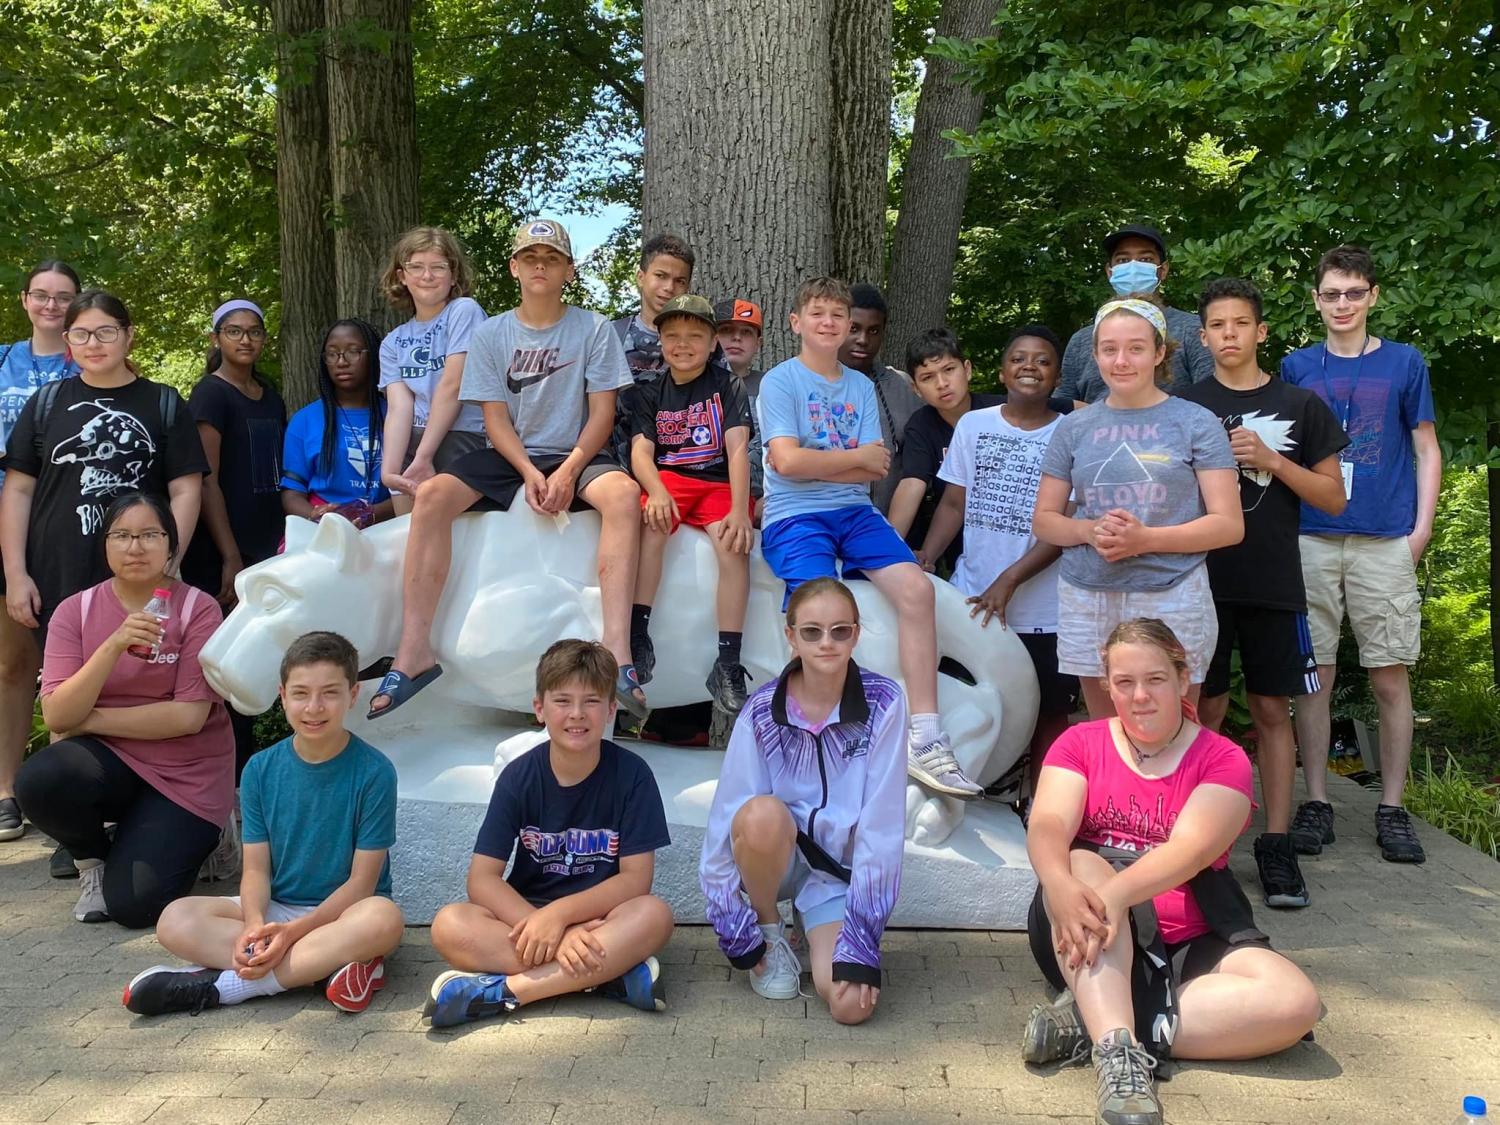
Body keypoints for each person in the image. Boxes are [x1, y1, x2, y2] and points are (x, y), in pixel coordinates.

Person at [1022, 619, 1321, 1125]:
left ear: (1183, 680)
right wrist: (1059, 884)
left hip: (1191, 931)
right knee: (1080, 862)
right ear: (1107, 685)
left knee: (1295, 1002)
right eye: (1124, 683)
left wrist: (1119, 893)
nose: (1139, 696)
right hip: (1083, 928)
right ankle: (1118, 1057)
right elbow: (1049, 822)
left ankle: (1087, 1020)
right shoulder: (1080, 743)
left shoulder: (1223, 759)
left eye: (1155, 680)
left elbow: (1189, 852)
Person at [366, 220, 645, 722]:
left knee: (624, 496)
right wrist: (528, 472)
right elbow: (493, 419)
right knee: (430, 497)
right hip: (508, 451)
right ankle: (413, 653)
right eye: (531, 257)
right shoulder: (492, 332)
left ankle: (618, 653)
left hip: (574, 452)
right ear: (514, 267)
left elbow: (602, 414)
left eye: (552, 258)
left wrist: (567, 471)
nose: (541, 266)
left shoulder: (594, 328)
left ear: (568, 270)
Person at [3, 292, 208, 876]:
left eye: (106, 332)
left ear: (129, 335)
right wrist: (16, 573)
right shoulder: (46, 404)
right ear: (68, 343)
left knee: (144, 684)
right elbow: (17, 489)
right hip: (60, 573)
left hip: (143, 572)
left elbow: (186, 487)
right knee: (68, 688)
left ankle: (141, 809)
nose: (94, 344)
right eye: (82, 334)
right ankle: (79, 827)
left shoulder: (162, 403)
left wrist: (173, 559)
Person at [757, 276, 981, 798]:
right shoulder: (780, 382)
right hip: (795, 516)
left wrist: (825, 465)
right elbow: (785, 463)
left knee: (918, 590)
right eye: (818, 314)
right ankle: (811, 730)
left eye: (838, 315)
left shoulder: (860, 386)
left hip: (856, 514)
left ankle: (925, 736)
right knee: (819, 609)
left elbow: (874, 468)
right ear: (796, 323)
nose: (830, 323)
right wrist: (841, 462)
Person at [122, 630, 404, 1016]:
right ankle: (321, 968)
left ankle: (226, 987)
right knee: (174, 919)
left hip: (344, 912)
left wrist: (292, 933)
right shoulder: (259, 769)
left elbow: (361, 884)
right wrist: (255, 927)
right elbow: (256, 868)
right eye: (301, 693)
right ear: (282, 695)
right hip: (277, 908)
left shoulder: (375, 772)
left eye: (330, 693)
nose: (314, 707)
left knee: (384, 920)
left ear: (353, 695)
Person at [1177, 279, 1348, 908]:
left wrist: (1273, 461)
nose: (1229, 334)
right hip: (1196, 582)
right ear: (1202, 336)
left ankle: (1274, 845)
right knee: (1207, 712)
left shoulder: (1300, 405)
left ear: (1261, 332)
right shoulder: (1183, 405)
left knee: (1274, 712)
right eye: (1217, 325)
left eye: (1240, 324)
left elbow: (1333, 496)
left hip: (1275, 583)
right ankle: (1204, 845)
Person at [1281, 245, 1441, 865]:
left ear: (1373, 295)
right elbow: (1285, 455)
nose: (1342, 304)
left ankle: (1392, 808)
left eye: (1353, 292)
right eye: (1331, 293)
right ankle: (1317, 801)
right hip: (1312, 537)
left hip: (1383, 539)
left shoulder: (1405, 362)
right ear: (1316, 299)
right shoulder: (1297, 367)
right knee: (1311, 675)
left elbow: (1426, 449)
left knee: (1389, 674)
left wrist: (1420, 530)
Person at [424, 639, 673, 1027]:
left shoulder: (633, 776)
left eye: (591, 701)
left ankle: (506, 993)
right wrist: (542, 923)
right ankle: (607, 975)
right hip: (526, 921)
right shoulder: (519, 778)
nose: (577, 714)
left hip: (601, 918)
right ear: (539, 708)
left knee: (654, 915)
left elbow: (636, 880)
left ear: (610, 710)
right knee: (449, 925)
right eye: (562, 701)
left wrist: (561, 917)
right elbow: (483, 879)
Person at [14, 492, 233, 927]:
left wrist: (88, 720)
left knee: (136, 907)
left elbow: (187, 718)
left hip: (186, 774)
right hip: (111, 762)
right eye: (123, 536)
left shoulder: (198, 608)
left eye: (150, 535)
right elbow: (57, 716)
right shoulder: (75, 612)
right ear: (106, 545)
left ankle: (211, 836)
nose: (136, 547)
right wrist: (113, 645)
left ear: (171, 545)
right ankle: (91, 862)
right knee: (41, 779)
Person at [699, 578, 905, 1024]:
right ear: (790, 636)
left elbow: (883, 827)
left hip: (835, 877)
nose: (826, 642)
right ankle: (770, 927)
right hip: (776, 857)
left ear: (856, 633)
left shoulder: (885, 701)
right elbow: (727, 814)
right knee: (760, 815)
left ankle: (812, 929)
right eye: (811, 631)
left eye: (840, 630)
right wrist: (733, 922)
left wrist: (862, 937)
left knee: (851, 1007)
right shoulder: (759, 710)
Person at [1033, 294, 1242, 718]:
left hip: (1173, 591)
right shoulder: (1073, 428)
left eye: (1136, 348)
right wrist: (1087, 531)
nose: (1121, 360)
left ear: (1160, 352)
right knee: (1107, 732)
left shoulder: (1196, 421)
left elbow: (1228, 525)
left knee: (1175, 725)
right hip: (1088, 594)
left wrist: (1145, 540)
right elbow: (1045, 519)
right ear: (1095, 355)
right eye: (1109, 349)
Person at [918, 326, 1075, 793]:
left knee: (1050, 710)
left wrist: (1009, 580)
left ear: (1058, 375)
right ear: (1002, 370)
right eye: (1019, 358)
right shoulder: (974, 425)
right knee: (968, 700)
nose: (1030, 366)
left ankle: (1042, 804)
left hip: (1046, 609)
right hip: (972, 599)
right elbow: (952, 503)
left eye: (1043, 360)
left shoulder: (1072, 433)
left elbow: (1066, 529)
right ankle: (962, 791)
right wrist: (927, 554)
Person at [628, 294, 754, 719]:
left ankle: (728, 661)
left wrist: (740, 509)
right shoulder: (649, 392)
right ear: (660, 339)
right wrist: (657, 490)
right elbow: (641, 453)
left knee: (734, 548)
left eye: (695, 336)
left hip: (717, 482)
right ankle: (637, 635)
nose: (683, 344)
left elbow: (737, 449)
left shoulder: (726, 385)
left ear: (713, 341)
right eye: (673, 336)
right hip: (671, 480)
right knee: (651, 525)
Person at [0, 259, 81, 843]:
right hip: (5, 520)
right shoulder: (3, 361)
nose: (52, 306)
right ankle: (6, 791)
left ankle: (70, 795)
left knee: (72, 665)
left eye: (64, 297)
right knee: (12, 665)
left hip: (66, 527)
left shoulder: (95, 356)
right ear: (25, 300)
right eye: (42, 296)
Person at [377, 226, 488, 516]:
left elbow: (453, 385)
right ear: (402, 276)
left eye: (438, 267)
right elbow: (400, 408)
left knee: (449, 528)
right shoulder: (392, 342)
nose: (427, 276)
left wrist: (425, 456)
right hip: (413, 440)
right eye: (416, 267)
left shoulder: (463, 311)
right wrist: (390, 471)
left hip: (460, 435)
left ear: (453, 275)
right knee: (405, 533)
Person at [182, 300, 287, 607]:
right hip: (223, 549)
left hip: (268, 541)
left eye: (254, 332)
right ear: (216, 339)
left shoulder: (270, 396)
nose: (245, 339)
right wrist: (230, 556)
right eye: (234, 331)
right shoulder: (211, 394)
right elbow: (205, 481)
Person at [1057, 224, 1215, 406]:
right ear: (1110, 272)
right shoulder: (1081, 341)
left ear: (1162, 270)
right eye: (1123, 260)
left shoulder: (1192, 330)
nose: (1133, 266)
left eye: (1146, 259)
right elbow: (1062, 407)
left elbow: (1210, 396)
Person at [886, 328, 1005, 567]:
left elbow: (1072, 409)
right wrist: (887, 550)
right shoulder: (921, 426)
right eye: (928, 377)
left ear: (967, 369)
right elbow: (912, 483)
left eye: (949, 370)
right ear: (916, 389)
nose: (942, 384)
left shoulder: (1004, 410)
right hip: (959, 546)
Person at [280, 318, 394, 529]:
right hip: (323, 532)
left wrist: (370, 514)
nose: (341, 361)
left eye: (353, 351)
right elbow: (292, 493)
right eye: (332, 354)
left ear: (373, 355)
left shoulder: (397, 414)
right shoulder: (304, 421)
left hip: (388, 529)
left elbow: (414, 489)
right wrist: (317, 515)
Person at [610, 234, 695, 465]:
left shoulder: (701, 343)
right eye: (661, 276)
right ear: (641, 276)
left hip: (684, 465)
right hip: (616, 467)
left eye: (680, 281)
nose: (669, 288)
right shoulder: (611, 336)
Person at [836, 284, 921, 513]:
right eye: (854, 328)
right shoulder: (804, 382)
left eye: (873, 331)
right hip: (821, 522)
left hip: (888, 524)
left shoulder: (901, 389)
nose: (863, 339)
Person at [714, 297, 766, 510]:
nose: (736, 338)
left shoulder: (774, 386)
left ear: (758, 343)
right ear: (712, 338)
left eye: (746, 332)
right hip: (712, 494)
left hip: (766, 500)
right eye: (727, 330)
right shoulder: (692, 387)